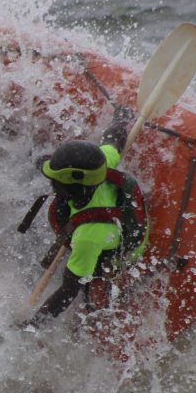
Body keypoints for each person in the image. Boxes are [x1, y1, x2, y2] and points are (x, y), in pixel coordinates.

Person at [25, 116, 149, 325]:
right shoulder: (98, 168)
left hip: (115, 250)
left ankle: (98, 280)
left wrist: (33, 324)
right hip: (107, 221)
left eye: (54, 180)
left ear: (68, 189)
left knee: (78, 279)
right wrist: (120, 119)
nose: (50, 182)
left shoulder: (86, 238)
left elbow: (68, 291)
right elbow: (113, 142)